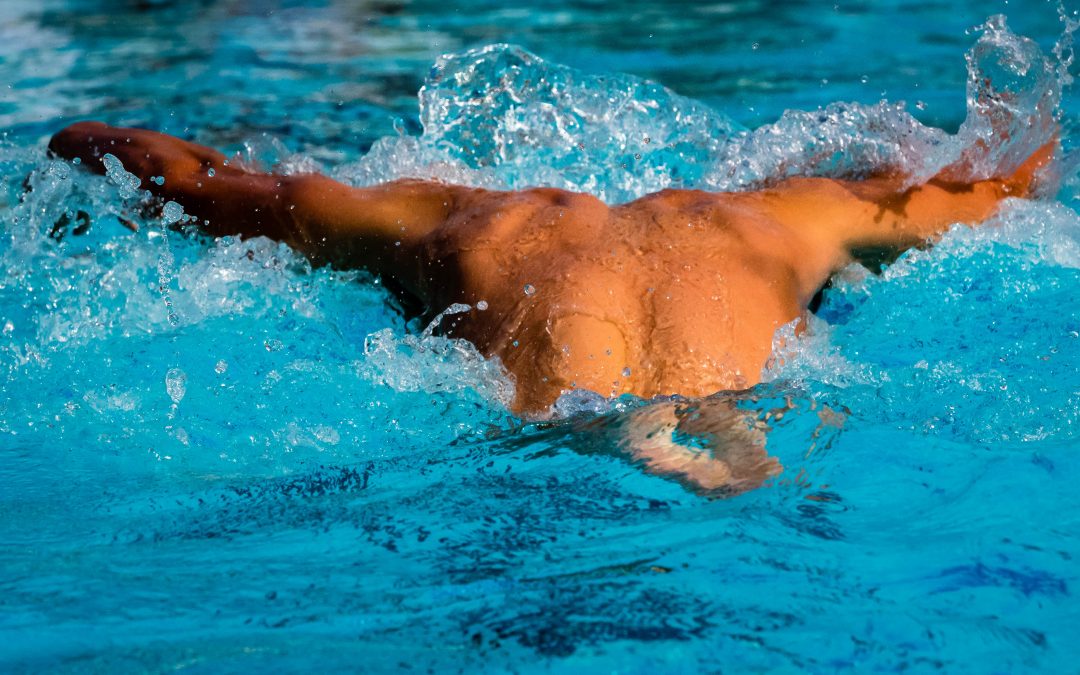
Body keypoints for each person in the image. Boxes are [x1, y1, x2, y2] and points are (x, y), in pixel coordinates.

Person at [46, 120, 1056, 494]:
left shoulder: (458, 220)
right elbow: (1005, 189)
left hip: (526, 451)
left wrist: (82, 144)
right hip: (750, 412)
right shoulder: (788, 217)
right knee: (717, 422)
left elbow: (175, 174)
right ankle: (692, 433)